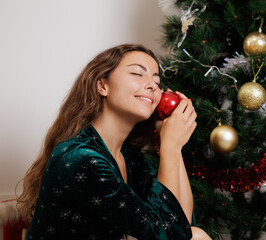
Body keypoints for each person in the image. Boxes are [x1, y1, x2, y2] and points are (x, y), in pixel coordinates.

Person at [17, 44, 211, 239]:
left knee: (197, 236)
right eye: (137, 73)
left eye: (157, 81)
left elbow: (181, 224)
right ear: (102, 86)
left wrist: (173, 148)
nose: (152, 85)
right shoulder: (82, 159)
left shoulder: (128, 156)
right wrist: (170, 146)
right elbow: (165, 235)